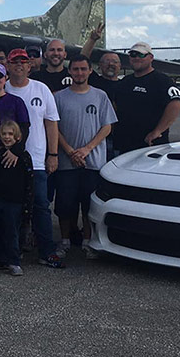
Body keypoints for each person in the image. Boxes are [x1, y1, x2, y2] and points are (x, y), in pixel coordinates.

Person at [4, 48, 63, 268]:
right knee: (14, 207)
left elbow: (51, 122)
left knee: (40, 205)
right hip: (10, 160)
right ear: (8, 66)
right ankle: (14, 250)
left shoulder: (41, 89)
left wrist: (53, 154)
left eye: (23, 62)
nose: (19, 65)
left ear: (30, 65)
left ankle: (47, 250)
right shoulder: (3, 87)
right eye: (14, 61)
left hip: (36, 158)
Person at [53, 56, 117, 259]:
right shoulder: (59, 97)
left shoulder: (100, 96)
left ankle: (88, 241)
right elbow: (54, 127)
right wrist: (70, 151)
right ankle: (64, 241)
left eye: (83, 69)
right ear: (69, 72)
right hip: (66, 162)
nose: (79, 73)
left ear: (90, 71)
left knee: (88, 204)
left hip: (93, 161)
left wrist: (87, 149)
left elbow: (107, 126)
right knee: (64, 204)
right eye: (75, 69)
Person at [113, 42, 180, 153]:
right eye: (132, 55)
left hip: (151, 147)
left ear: (151, 58)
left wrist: (157, 131)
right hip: (125, 147)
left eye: (141, 55)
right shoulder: (125, 82)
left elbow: (176, 104)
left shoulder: (162, 81)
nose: (136, 58)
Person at [0, 120, 31, 276]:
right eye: (4, 134)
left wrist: (26, 204)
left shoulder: (24, 157)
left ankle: (14, 261)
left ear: (17, 136)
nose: (7, 137)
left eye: (10, 134)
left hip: (15, 201)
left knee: (12, 231)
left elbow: (28, 181)